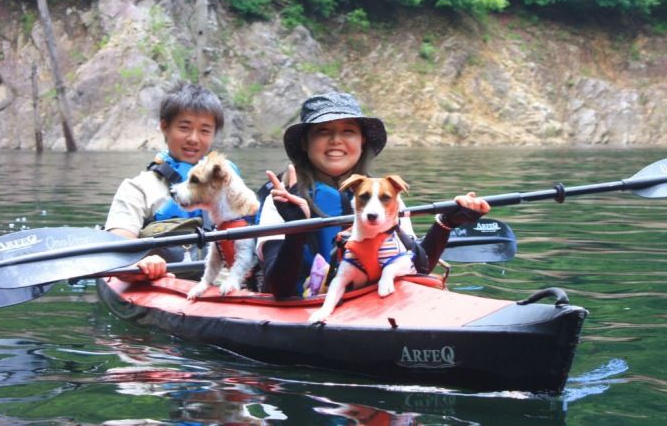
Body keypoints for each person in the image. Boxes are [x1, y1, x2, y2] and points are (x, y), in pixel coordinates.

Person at [256, 91, 491, 299]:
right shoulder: (281, 199)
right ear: (306, 143)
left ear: (362, 141)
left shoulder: (385, 195)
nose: (336, 140)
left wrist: (446, 223)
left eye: (348, 131)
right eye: (322, 131)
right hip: (306, 302)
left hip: (370, 298)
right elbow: (279, 290)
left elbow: (417, 266)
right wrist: (295, 227)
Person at [103, 81, 226, 280]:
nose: (194, 139)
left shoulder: (228, 187)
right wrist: (139, 265)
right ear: (164, 127)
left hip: (221, 284)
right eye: (184, 128)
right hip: (164, 284)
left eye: (205, 131)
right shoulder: (137, 189)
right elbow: (117, 253)